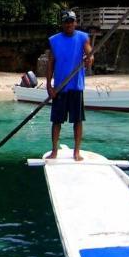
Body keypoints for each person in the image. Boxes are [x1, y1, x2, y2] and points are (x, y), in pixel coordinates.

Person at [45, 10, 93, 160]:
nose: (69, 24)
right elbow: (51, 63)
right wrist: (49, 86)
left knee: (78, 121)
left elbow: (90, 55)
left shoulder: (83, 37)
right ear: (62, 23)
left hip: (76, 86)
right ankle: (54, 151)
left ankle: (76, 152)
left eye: (71, 21)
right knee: (56, 121)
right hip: (60, 87)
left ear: (75, 23)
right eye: (66, 21)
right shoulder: (54, 40)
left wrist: (89, 60)